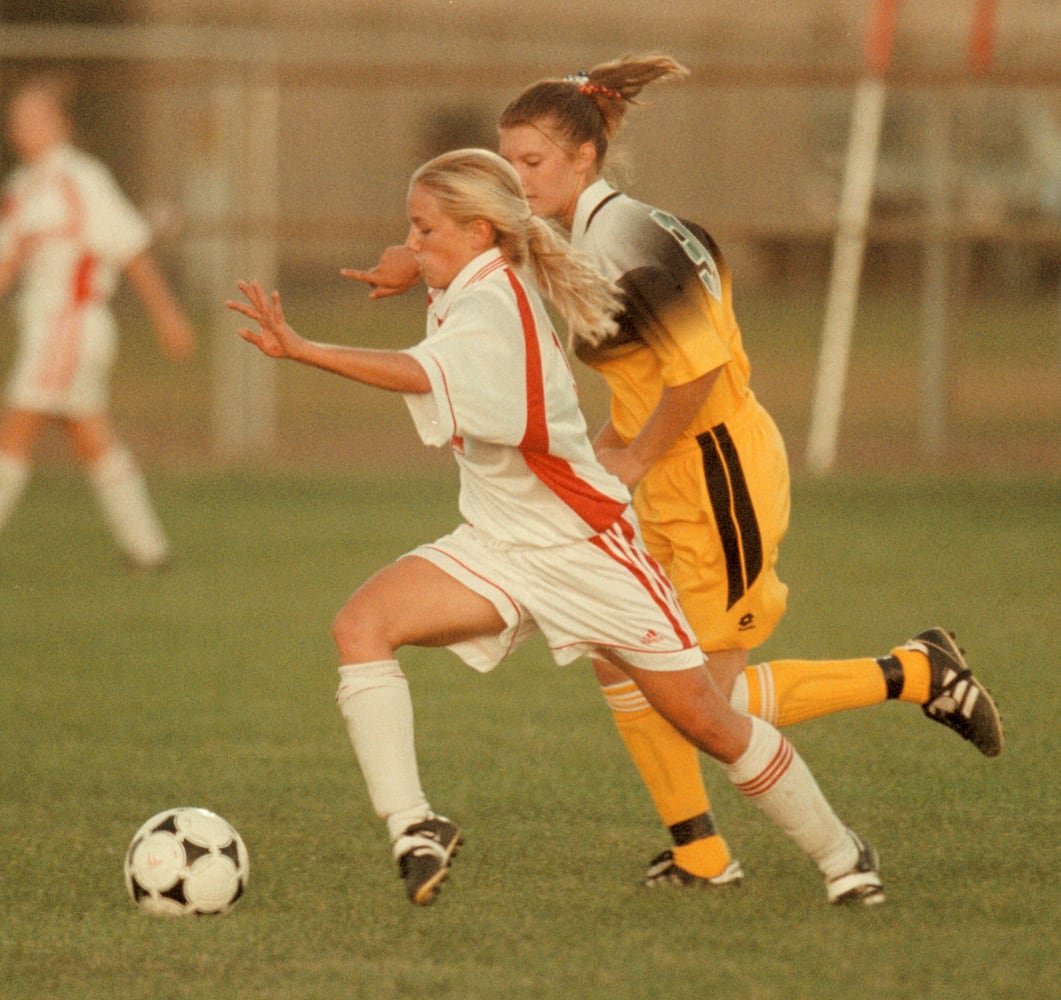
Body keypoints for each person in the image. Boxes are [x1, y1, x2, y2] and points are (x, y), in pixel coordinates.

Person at [344, 55, 1004, 891]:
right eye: (505, 161)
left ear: (583, 159)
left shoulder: (631, 240)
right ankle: (698, 849)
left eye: (531, 163)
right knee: (620, 659)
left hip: (718, 472)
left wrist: (631, 456)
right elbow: (559, 314)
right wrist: (418, 263)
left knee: (703, 705)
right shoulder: (578, 231)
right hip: (665, 472)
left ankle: (913, 672)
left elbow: (695, 374)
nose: (514, 178)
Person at [228, 147, 885, 908]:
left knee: (709, 719)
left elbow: (419, 371)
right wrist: (416, 262)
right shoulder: (470, 275)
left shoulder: (489, 312)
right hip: (499, 544)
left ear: (477, 233)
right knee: (361, 625)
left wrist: (305, 350)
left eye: (422, 228)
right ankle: (415, 827)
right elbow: (464, 271)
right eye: (409, 227)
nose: (410, 240)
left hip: (583, 551)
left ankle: (841, 854)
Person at [0, 74, 195, 570]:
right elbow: (8, 263)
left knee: (15, 430)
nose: (21, 128)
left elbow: (130, 250)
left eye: (34, 118)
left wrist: (169, 317)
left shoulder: (80, 178)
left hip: (70, 325)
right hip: (46, 327)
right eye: (16, 119)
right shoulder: (23, 187)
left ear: (60, 125)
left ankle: (148, 548)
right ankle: (149, 549)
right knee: (90, 436)